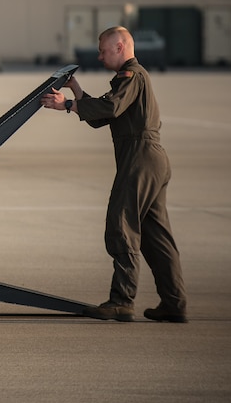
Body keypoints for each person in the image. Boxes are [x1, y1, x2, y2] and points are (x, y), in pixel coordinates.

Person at [40, 26, 188, 322]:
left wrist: (68, 104)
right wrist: (75, 91)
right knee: (155, 238)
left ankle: (122, 300)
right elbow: (103, 116)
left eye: (103, 50)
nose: (99, 55)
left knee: (121, 225)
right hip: (151, 160)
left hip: (140, 159)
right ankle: (174, 303)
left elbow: (110, 106)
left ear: (120, 47)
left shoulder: (131, 76)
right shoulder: (129, 80)